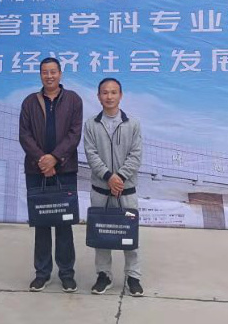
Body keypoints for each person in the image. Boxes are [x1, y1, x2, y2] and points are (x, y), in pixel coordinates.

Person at [19, 57, 83, 293]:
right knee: (42, 223)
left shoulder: (73, 100)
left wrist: (55, 158)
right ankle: (42, 273)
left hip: (65, 169)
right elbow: (24, 135)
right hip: (36, 170)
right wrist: (43, 161)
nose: (49, 76)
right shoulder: (29, 102)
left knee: (64, 224)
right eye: (45, 72)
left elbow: (75, 134)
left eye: (53, 72)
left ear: (60, 74)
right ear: (40, 75)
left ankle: (67, 273)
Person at [83, 77, 144, 297]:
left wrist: (120, 178)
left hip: (126, 190)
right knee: (101, 233)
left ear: (121, 95)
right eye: (105, 92)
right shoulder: (91, 124)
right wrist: (108, 177)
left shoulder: (132, 124)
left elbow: (136, 155)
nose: (109, 96)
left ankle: (133, 276)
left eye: (113, 92)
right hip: (101, 189)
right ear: (98, 96)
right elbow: (91, 154)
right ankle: (103, 275)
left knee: (130, 233)